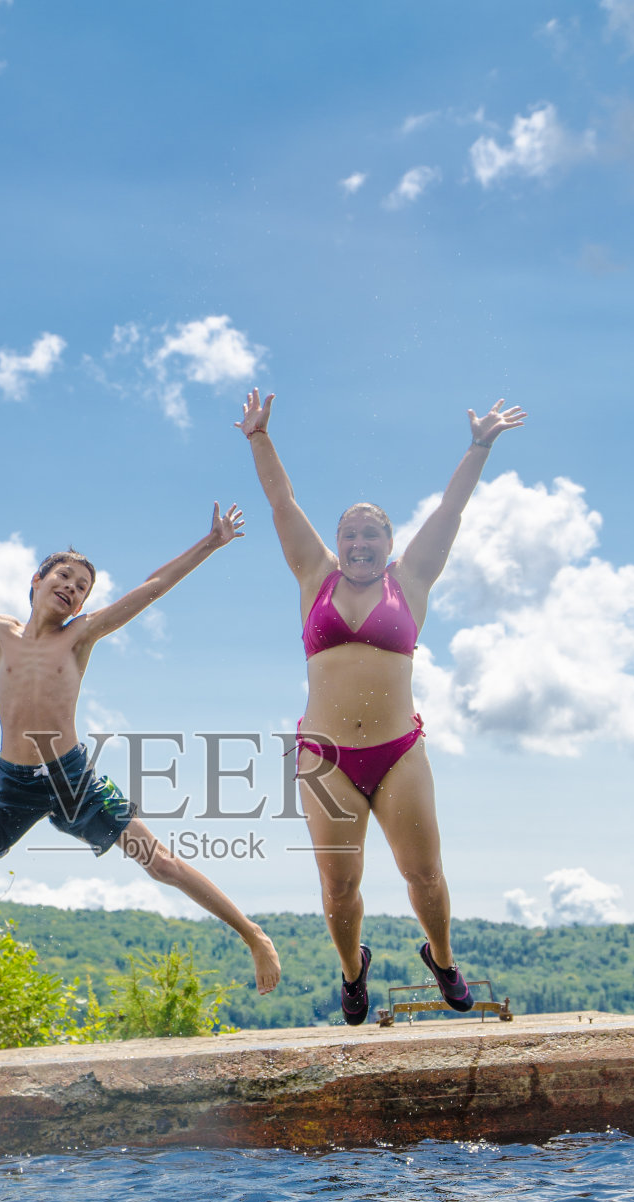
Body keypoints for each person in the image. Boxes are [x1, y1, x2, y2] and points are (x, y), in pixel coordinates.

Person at [0, 503, 281, 1015]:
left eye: (83, 586)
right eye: (64, 576)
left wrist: (210, 543)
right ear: (37, 581)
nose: (72, 587)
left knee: (162, 864)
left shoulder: (79, 636)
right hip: (11, 784)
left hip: (71, 778)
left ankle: (253, 934)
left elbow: (150, 588)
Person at [236, 389, 526, 1023]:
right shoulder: (316, 576)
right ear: (338, 543)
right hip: (326, 757)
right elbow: (282, 503)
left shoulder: (412, 579)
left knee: (424, 877)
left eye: (371, 532)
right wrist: (259, 437)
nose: (359, 540)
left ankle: (443, 959)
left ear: (390, 544)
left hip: (398, 753)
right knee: (340, 888)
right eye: (350, 532)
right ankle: (352, 971)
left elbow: (451, 509)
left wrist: (478, 445)